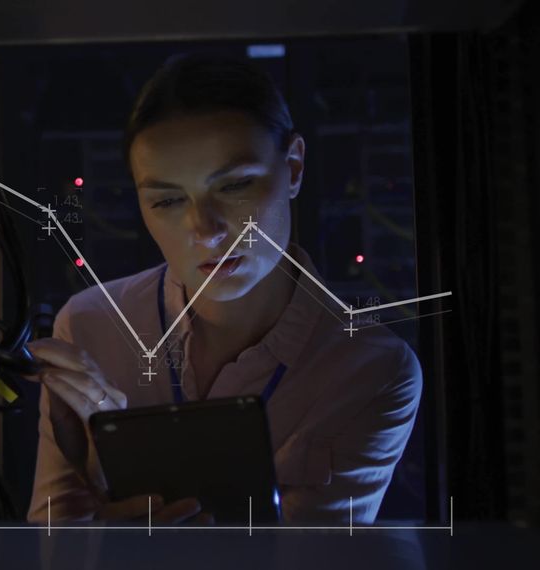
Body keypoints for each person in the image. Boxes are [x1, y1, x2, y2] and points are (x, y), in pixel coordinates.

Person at [25, 55, 422, 525]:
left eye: (234, 186)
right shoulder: (92, 325)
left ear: (293, 168)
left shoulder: (371, 368)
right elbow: (48, 544)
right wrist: (97, 494)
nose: (204, 231)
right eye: (168, 199)